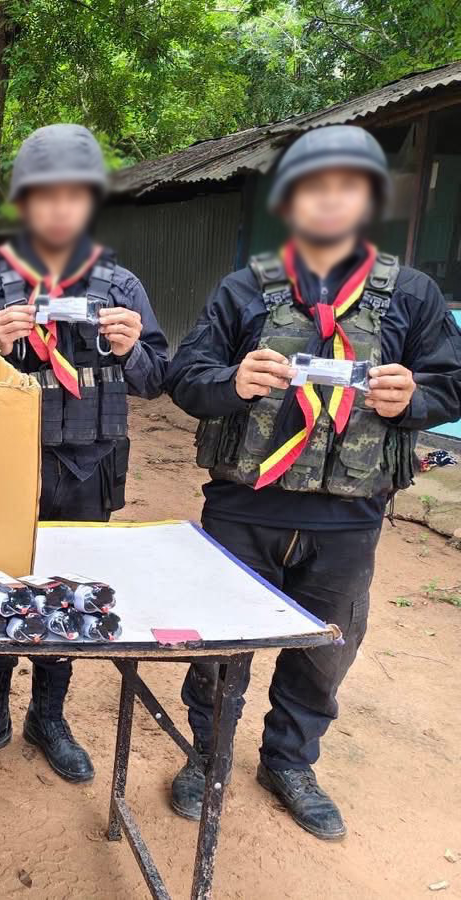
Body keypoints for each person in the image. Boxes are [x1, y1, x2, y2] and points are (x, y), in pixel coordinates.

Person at [165, 125, 461, 840]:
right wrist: (233, 381)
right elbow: (185, 378)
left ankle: (289, 762)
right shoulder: (245, 288)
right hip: (244, 510)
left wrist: (413, 397)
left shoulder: (412, 294)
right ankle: (206, 754)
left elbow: (451, 385)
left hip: (349, 518)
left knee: (325, 651)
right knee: (220, 645)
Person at [0, 124, 168, 781]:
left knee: (68, 597)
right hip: (4, 471)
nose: (59, 208)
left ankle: (49, 716)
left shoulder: (122, 286)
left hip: (88, 470)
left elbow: (158, 377)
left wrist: (133, 346)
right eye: (45, 195)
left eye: (73, 194)